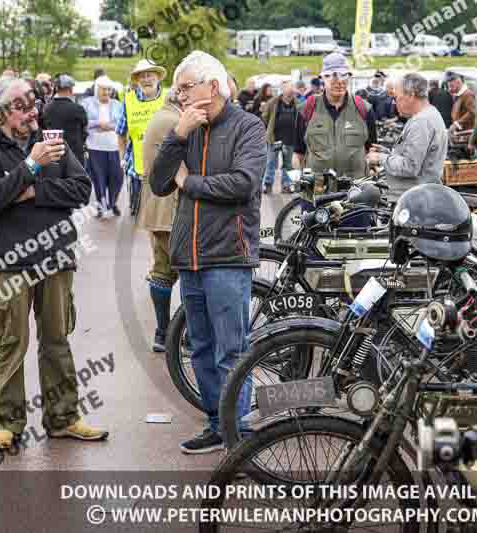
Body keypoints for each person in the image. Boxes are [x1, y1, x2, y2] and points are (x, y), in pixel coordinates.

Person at [0, 76, 107, 452]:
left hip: (55, 256)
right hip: (7, 261)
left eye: (33, 103)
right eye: (22, 105)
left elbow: (81, 189)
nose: (32, 111)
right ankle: (6, 424)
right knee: (11, 343)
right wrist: (30, 165)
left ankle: (64, 418)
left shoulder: (52, 141)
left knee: (56, 340)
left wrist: (31, 190)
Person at [151, 50, 265, 454]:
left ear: (211, 86)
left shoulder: (248, 127)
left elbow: (243, 184)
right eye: (177, 89)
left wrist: (192, 183)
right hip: (189, 255)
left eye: (185, 87)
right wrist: (177, 136)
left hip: (228, 256)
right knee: (199, 346)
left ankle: (239, 430)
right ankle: (218, 424)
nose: (179, 95)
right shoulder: (188, 129)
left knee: (231, 349)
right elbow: (158, 183)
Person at [140, 88, 183, 352]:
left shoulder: (162, 115)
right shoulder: (175, 121)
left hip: (158, 208)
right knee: (187, 269)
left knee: (162, 269)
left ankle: (162, 333)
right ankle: (181, 334)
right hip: (172, 207)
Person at [293, 52, 377, 178]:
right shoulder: (306, 109)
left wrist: (372, 166)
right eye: (333, 78)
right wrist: (301, 180)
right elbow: (298, 154)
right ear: (323, 79)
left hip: (355, 191)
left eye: (344, 77)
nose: (339, 82)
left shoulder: (364, 108)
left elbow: (372, 150)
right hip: (318, 190)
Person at [366, 73, 448, 202]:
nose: (394, 102)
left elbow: (409, 167)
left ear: (410, 95)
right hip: (418, 196)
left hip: (413, 200)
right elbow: (418, 159)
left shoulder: (422, 122)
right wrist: (388, 153)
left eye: (397, 97)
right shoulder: (427, 116)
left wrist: (380, 158)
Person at [117, 59, 166, 217]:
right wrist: (122, 157)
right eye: (142, 76)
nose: (146, 79)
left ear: (158, 77)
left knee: (162, 216)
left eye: (149, 75)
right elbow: (120, 132)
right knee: (141, 215)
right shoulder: (129, 100)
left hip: (166, 166)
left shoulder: (169, 98)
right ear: (137, 81)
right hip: (137, 168)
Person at [82, 75, 124, 218]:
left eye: (108, 90)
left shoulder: (117, 104)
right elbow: (83, 122)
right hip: (95, 147)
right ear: (96, 90)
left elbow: (122, 123)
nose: (106, 93)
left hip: (114, 147)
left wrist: (109, 126)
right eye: (103, 90)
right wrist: (97, 124)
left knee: (117, 177)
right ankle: (101, 205)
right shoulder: (87, 103)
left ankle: (112, 202)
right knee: (98, 178)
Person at [41, 74, 88, 162]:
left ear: (57, 89)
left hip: (53, 154)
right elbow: (84, 132)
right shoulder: (78, 109)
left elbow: (43, 129)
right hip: (75, 155)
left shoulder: (47, 108)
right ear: (71, 89)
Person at [261, 80, 297, 194]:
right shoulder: (273, 102)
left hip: (290, 138)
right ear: (283, 91)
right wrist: (269, 130)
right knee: (271, 162)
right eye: (288, 90)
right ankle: (268, 184)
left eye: (291, 91)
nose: (290, 94)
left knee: (288, 164)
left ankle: (286, 185)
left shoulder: (297, 103)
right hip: (275, 138)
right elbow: (265, 116)